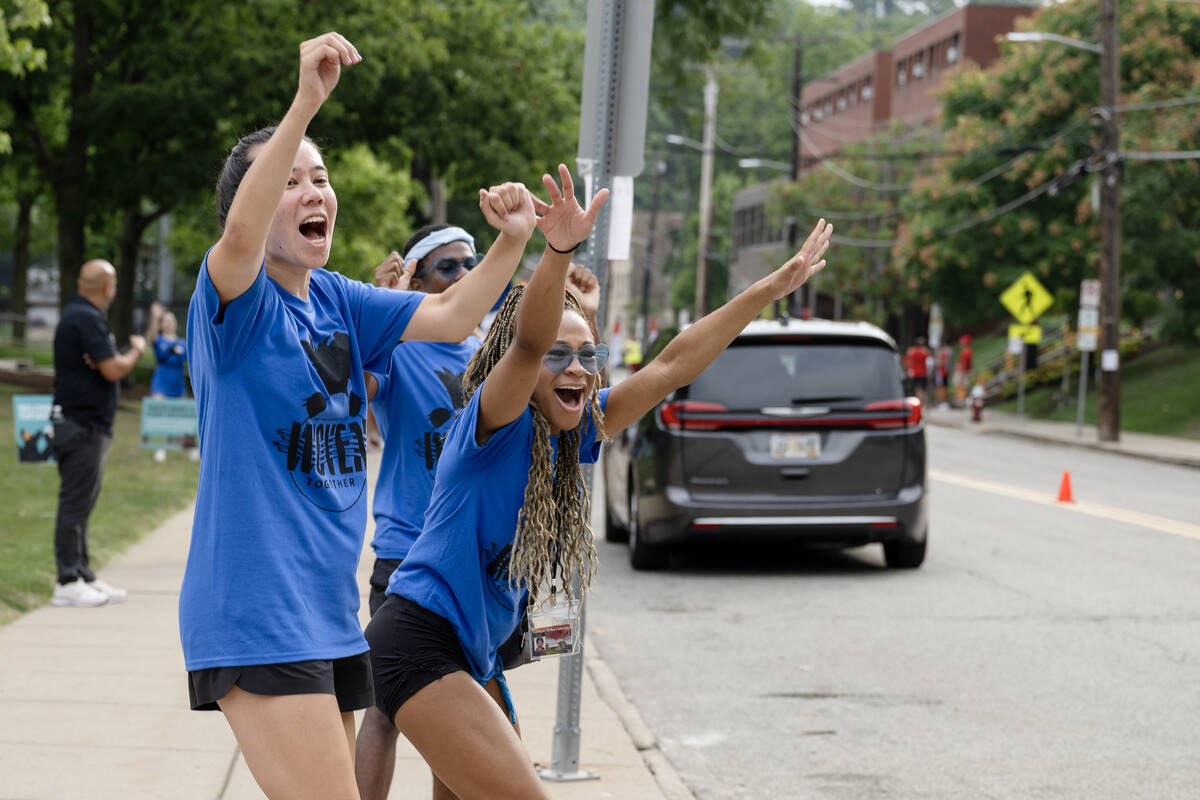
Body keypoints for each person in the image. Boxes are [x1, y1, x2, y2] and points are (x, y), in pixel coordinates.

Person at [364, 199, 831, 800]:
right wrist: (558, 252)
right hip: (419, 641)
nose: (578, 370)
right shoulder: (491, 421)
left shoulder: (578, 429)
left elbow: (672, 365)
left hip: (469, 651)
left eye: (588, 356)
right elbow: (529, 343)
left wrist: (766, 291)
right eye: (560, 356)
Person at [177, 33, 537, 800]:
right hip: (255, 606)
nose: (316, 192)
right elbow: (238, 238)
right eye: (292, 180)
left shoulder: (339, 297)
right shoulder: (233, 303)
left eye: (323, 176)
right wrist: (306, 102)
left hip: (326, 609)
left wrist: (513, 241)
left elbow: (447, 312)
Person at [355, 223, 600, 800]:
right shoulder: (406, 351)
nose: (465, 274)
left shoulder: (491, 360)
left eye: (473, 263)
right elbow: (354, 398)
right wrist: (380, 324)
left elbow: (544, 347)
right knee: (386, 714)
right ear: (414, 277)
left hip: (478, 587)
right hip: (411, 558)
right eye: (447, 266)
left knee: (460, 745)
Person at [50, 258, 145, 607]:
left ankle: (83, 574)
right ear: (107, 287)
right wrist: (135, 348)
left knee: (83, 503)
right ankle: (68, 579)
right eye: (115, 284)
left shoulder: (82, 317)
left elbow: (102, 364)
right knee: (75, 504)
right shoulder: (85, 318)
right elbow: (112, 369)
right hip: (81, 426)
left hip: (84, 425)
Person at [144, 301, 191, 461]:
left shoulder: (183, 343)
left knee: (183, 414)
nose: (169, 323)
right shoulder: (159, 341)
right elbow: (151, 335)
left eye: (172, 320)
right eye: (166, 321)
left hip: (177, 381)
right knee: (160, 414)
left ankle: (187, 445)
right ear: (162, 325)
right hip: (161, 380)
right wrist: (155, 318)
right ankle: (160, 447)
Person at [905, 336, 931, 406]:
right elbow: (929, 363)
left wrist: (909, 370)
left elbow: (909, 362)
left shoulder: (911, 352)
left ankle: (920, 404)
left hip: (916, 373)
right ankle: (922, 404)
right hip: (923, 373)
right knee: (923, 390)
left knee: (918, 390)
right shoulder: (925, 352)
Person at [954, 334, 974, 404]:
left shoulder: (966, 351)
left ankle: (962, 400)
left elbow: (964, 364)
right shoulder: (966, 351)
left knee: (962, 386)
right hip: (964, 371)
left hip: (963, 372)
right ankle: (962, 399)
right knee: (962, 386)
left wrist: (960, 370)